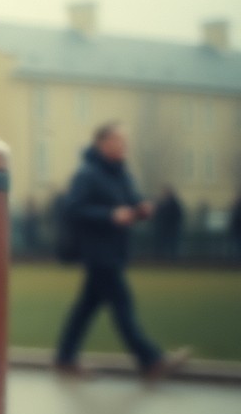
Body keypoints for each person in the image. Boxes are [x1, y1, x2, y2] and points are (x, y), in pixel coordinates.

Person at [54, 122, 190, 381]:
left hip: (115, 251)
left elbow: (131, 199)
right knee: (122, 305)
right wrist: (109, 215)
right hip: (98, 253)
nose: (123, 145)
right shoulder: (87, 174)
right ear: (102, 143)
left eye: (125, 141)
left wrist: (141, 208)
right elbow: (71, 209)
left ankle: (64, 358)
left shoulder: (120, 173)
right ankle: (152, 360)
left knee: (85, 308)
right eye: (118, 140)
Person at [152, 185, 184, 260]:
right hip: (164, 230)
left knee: (171, 247)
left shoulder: (173, 204)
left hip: (170, 230)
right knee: (162, 247)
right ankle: (161, 259)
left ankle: (171, 260)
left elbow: (177, 216)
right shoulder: (163, 203)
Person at [229, 192, 241, 260]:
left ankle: (237, 260)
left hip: (237, 232)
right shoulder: (237, 210)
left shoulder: (237, 210)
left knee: (237, 247)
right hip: (237, 232)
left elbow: (234, 221)